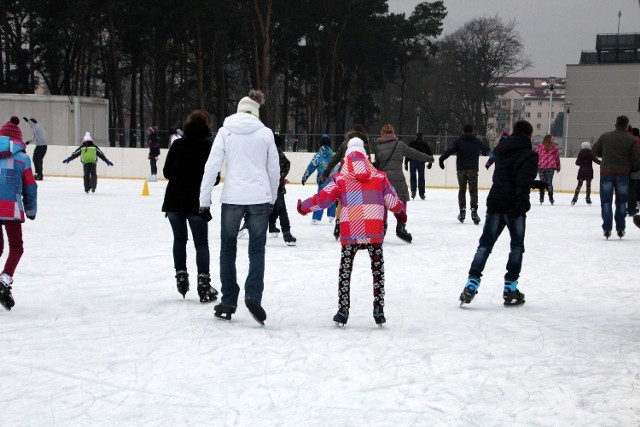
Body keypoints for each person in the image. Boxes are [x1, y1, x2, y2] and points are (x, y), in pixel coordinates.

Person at [297, 137, 404, 326]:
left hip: (350, 232)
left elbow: (323, 199)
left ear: (346, 157)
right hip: (374, 232)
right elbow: (394, 203)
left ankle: (343, 311)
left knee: (345, 271)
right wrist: (401, 215)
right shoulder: (380, 177)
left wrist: (304, 207)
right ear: (365, 155)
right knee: (377, 270)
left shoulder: (340, 179)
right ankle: (379, 311)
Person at [199, 89, 279, 325]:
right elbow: (273, 171)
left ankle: (228, 300)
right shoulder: (265, 133)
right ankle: (253, 295)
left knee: (227, 249)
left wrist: (204, 201)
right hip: (259, 198)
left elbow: (211, 167)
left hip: (232, 197)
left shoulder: (225, 132)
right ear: (256, 112)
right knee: (256, 250)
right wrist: (272, 199)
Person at [459, 120, 538, 307]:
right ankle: (510, 289)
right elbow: (521, 181)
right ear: (529, 136)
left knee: (484, 246)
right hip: (513, 205)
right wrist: (521, 205)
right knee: (516, 247)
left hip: (495, 201)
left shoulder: (502, 149)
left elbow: (502, 176)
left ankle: (471, 285)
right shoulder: (530, 155)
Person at [162, 110, 218, 303]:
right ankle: (203, 283)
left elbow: (167, 171)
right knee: (201, 243)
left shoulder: (177, 144)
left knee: (179, 239)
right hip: (197, 202)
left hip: (174, 200)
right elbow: (215, 178)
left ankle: (181, 275)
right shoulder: (209, 147)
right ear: (207, 126)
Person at [0, 116, 38, 311]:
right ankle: (4, 280)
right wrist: (31, 210)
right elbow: (30, 187)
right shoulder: (23, 158)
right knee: (16, 246)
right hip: (11, 208)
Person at [375, 123, 433, 243]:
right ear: (393, 132)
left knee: (383, 203)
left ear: (382, 133)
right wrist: (429, 158)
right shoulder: (399, 144)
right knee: (402, 200)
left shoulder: (378, 147)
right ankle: (401, 226)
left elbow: (378, 165)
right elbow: (414, 153)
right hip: (397, 178)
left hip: (383, 179)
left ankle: (382, 227)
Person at [320, 124, 372, 240]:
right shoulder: (365, 145)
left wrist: (325, 173)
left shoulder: (345, 144)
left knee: (341, 202)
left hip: (344, 175)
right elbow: (368, 162)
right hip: (359, 177)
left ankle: (338, 224)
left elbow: (335, 159)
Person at [592, 115, 640, 239]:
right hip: (623, 174)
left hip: (606, 172)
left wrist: (606, 154)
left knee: (606, 202)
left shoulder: (605, 136)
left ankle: (607, 229)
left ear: (615, 124)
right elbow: (636, 159)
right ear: (626, 125)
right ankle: (620, 228)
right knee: (622, 202)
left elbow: (595, 151)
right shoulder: (631, 140)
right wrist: (631, 169)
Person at [439, 124, 490, 224]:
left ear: (463, 131)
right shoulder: (476, 141)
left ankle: (462, 211)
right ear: (472, 131)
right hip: (473, 170)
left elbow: (449, 151)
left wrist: (442, 159)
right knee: (473, 191)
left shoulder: (458, 141)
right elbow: (487, 150)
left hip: (461, 170)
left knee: (462, 190)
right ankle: (474, 212)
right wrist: (483, 152)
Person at [301, 134, 336, 224]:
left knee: (320, 198)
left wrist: (305, 177)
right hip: (333, 180)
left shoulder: (318, 156)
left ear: (320, 143)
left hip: (322, 180)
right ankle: (331, 216)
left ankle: (316, 218)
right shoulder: (334, 155)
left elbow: (311, 167)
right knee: (332, 196)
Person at [268, 133, 297, 246]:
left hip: (264, 186)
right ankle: (287, 234)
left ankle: (255, 230)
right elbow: (287, 163)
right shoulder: (278, 153)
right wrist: (281, 177)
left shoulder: (265, 152)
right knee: (281, 210)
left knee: (263, 210)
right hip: (276, 187)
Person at [403, 132, 433, 200]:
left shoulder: (412, 143)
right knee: (421, 178)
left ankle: (413, 191)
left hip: (412, 162)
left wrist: (406, 163)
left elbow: (407, 153)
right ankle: (422, 193)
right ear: (422, 137)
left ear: (416, 136)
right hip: (421, 162)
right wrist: (430, 162)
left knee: (413, 177)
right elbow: (430, 154)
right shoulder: (424, 144)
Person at [535, 135, 561, 205]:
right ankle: (551, 198)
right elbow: (557, 158)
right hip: (550, 166)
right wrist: (558, 167)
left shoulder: (540, 146)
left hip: (541, 166)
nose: (553, 140)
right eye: (552, 139)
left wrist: (535, 165)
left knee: (542, 183)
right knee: (549, 182)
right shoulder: (554, 147)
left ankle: (541, 197)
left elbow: (536, 156)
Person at [627, 128, 640, 216]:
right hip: (635, 167)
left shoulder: (632, 142)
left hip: (633, 167)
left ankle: (631, 206)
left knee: (632, 188)